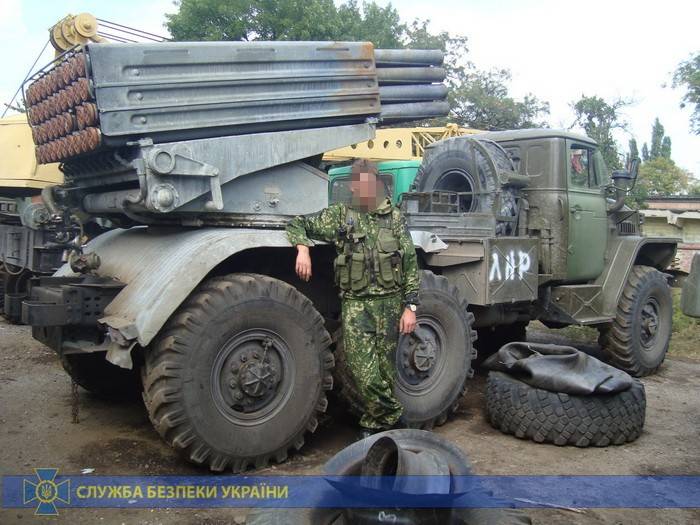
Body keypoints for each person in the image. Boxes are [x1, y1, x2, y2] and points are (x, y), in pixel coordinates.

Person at [286, 158, 420, 439]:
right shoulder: (341, 215)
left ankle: (375, 426)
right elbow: (298, 223)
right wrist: (303, 249)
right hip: (357, 305)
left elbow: (409, 264)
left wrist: (410, 307)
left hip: (391, 304)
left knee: (385, 372)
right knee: (363, 371)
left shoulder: (394, 218)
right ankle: (396, 419)